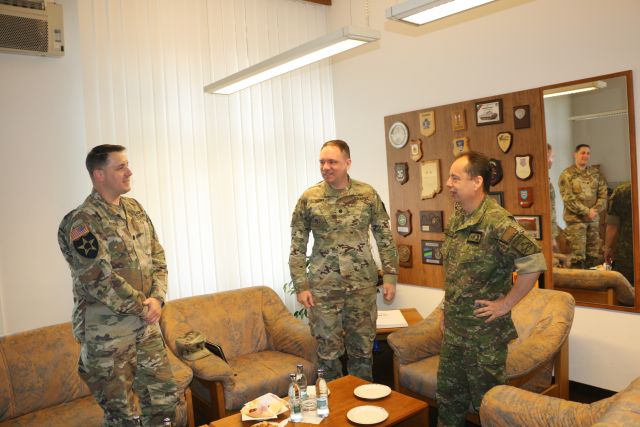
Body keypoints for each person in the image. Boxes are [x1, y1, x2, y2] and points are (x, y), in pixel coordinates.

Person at [58, 145, 178, 426]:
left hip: (146, 328)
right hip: (108, 336)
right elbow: (99, 278)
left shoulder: (135, 209)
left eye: (128, 165)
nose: (129, 172)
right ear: (99, 174)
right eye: (120, 167)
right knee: (123, 416)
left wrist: (158, 298)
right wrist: (144, 307)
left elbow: (157, 256)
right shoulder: (83, 222)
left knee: (163, 403)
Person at [437, 152, 546, 426]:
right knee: (448, 402)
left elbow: (534, 263)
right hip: (454, 333)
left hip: (483, 337)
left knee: (490, 407)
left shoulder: (498, 221)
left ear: (477, 182)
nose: (448, 183)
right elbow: (456, 274)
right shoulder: (458, 217)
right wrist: (445, 311)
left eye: (455, 178)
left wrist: (506, 304)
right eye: (449, 177)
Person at [289, 139, 398, 382]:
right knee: (328, 355)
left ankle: (363, 400)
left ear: (347, 163)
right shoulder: (309, 198)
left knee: (362, 352)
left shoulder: (367, 194)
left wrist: (390, 276)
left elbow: (384, 237)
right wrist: (301, 285)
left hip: (361, 287)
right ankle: (334, 402)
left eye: (332, 162)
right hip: (323, 289)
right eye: (322, 162)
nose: (326, 167)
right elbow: (297, 246)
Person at [558, 144, 608, 268]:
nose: (585, 156)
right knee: (578, 258)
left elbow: (603, 195)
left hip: (593, 220)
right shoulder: (567, 174)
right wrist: (586, 211)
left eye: (588, 153)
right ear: (575, 155)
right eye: (582, 153)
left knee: (593, 256)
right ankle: (578, 280)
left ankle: (591, 279)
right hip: (576, 222)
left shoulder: (596, 173)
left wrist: (594, 211)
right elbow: (568, 199)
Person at [604, 181, 634, 284]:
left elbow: (612, 225)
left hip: (627, 254)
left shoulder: (621, 191)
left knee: (625, 288)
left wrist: (607, 249)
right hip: (626, 254)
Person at [547, 144, 559, 252]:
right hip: (547, 234)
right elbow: (548, 211)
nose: (552, 160)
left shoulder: (546, 179)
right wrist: (551, 237)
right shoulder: (542, 181)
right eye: (552, 156)